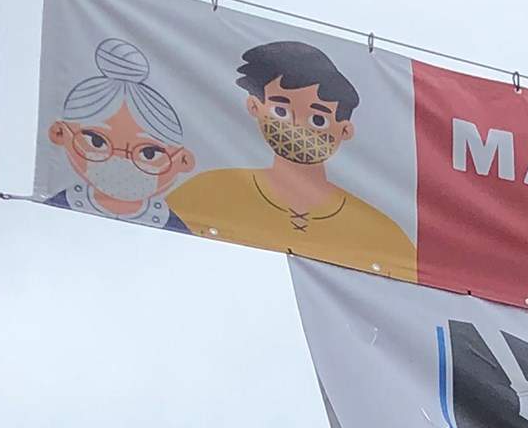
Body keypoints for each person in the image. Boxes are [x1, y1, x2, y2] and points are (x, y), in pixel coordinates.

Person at [167, 40, 414, 279]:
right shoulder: (207, 192)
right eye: (281, 111)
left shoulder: (383, 234)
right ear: (255, 107)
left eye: (318, 119)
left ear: (345, 130)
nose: (297, 127)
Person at [43, 38, 197, 229]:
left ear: (183, 161)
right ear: (59, 133)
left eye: (149, 153)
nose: (121, 162)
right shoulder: (53, 212)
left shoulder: (181, 223)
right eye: (97, 142)